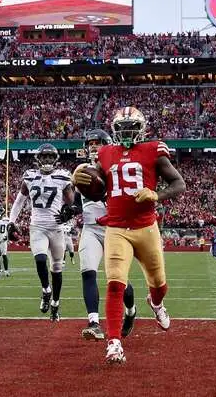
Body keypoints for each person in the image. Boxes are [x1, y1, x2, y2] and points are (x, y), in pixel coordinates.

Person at [72, 107, 186, 364]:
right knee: (115, 283)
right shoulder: (105, 153)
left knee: (159, 284)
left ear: (141, 129)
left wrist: (156, 194)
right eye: (122, 128)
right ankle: (114, 343)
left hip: (146, 227)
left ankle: (156, 304)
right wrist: (80, 181)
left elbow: (179, 183)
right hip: (116, 228)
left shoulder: (154, 150)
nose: (126, 133)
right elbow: (98, 189)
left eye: (131, 128)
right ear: (114, 130)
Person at [59, 129, 137, 341]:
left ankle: (131, 311)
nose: (93, 146)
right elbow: (77, 201)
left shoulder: (117, 167)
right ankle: (94, 322)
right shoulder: (83, 169)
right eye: (90, 143)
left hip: (115, 229)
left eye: (98, 142)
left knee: (118, 281)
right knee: (88, 272)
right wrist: (70, 210)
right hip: (91, 229)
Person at [9, 144, 74, 322]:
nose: (46, 160)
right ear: (38, 158)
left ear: (55, 159)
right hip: (37, 226)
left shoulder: (62, 177)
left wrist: (70, 211)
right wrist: (11, 221)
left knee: (57, 269)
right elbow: (19, 201)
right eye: (44, 156)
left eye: (49, 157)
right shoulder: (30, 177)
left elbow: (72, 203)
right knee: (40, 260)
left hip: (56, 228)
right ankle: (46, 290)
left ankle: (55, 303)